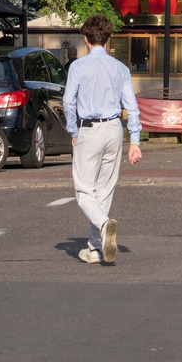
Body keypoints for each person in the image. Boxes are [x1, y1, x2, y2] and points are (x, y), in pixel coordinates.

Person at [63, 16, 144, 265]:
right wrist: (135, 141)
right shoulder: (120, 68)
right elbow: (131, 106)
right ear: (108, 39)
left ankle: (104, 224)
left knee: (84, 191)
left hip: (89, 129)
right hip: (114, 129)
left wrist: (73, 130)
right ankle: (95, 246)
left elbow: (68, 102)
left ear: (86, 40)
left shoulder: (77, 66)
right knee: (104, 190)